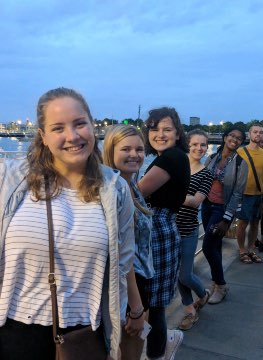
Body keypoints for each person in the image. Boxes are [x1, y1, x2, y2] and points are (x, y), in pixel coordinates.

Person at [0, 88, 134, 360]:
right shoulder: (10, 181)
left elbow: (123, 263)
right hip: (14, 331)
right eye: (58, 127)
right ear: (43, 137)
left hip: (84, 333)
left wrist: (121, 328)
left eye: (80, 123)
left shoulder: (115, 190)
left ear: (92, 125)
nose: (72, 136)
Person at [137, 107, 190, 360]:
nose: (160, 134)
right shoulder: (167, 158)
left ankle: (157, 355)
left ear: (178, 133)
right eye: (154, 129)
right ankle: (163, 344)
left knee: (153, 306)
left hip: (157, 232)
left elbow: (136, 194)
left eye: (167, 129)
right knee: (151, 304)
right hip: (161, 230)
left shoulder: (171, 158)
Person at [103, 124, 154, 360]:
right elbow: (123, 254)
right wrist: (135, 306)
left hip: (142, 281)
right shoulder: (113, 191)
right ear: (110, 152)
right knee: (128, 353)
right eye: (126, 149)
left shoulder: (131, 184)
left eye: (140, 149)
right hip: (128, 289)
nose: (135, 154)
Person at [202, 126, 248, 304]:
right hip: (206, 206)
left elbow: (238, 193)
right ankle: (215, 282)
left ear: (241, 143)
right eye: (232, 136)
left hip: (221, 210)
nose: (234, 140)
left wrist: (227, 219)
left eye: (238, 138)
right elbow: (203, 179)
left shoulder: (240, 163)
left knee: (207, 246)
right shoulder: (213, 158)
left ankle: (221, 285)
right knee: (215, 246)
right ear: (225, 137)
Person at [176, 129, 214, 330]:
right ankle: (190, 310)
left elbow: (195, 201)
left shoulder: (206, 174)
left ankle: (203, 294)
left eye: (203, 145)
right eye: (195, 144)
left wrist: (168, 196)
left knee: (185, 275)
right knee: (177, 273)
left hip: (188, 229)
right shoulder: (177, 168)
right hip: (168, 228)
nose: (199, 148)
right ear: (187, 145)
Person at [236, 124, 263, 264]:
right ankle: (242, 250)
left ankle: (250, 249)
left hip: (258, 194)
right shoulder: (240, 151)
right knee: (242, 224)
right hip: (244, 194)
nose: (258, 134)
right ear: (249, 134)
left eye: (260, 132)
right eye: (255, 132)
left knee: (255, 224)